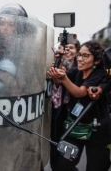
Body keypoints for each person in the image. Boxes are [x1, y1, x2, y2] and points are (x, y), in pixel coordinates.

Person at [47, 40, 111, 171]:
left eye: (85, 56)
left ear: (97, 61)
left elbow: (80, 93)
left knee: (96, 167)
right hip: (74, 127)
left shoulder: (100, 74)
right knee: (63, 166)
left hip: (98, 131)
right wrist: (58, 65)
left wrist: (64, 78)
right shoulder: (76, 71)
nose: (80, 59)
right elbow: (58, 81)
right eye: (79, 55)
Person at [50, 41, 81, 171]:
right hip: (57, 110)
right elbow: (56, 81)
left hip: (74, 112)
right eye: (65, 48)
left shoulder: (81, 67)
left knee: (69, 147)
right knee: (55, 141)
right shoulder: (57, 62)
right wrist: (58, 62)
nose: (68, 50)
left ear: (77, 51)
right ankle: (56, 166)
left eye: (71, 48)